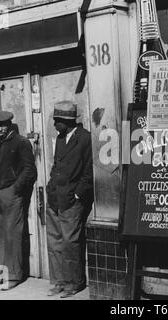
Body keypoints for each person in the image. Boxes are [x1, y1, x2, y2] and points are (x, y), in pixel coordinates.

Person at [46, 101, 94, 298]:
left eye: (58, 120)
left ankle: (74, 283)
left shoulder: (85, 139)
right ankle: (59, 281)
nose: (55, 124)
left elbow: (89, 171)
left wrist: (77, 194)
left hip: (72, 201)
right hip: (55, 197)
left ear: (68, 121)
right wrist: (50, 188)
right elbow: (56, 165)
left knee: (70, 242)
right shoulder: (60, 138)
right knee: (55, 241)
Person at [0, 111, 37, 290]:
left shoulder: (21, 142)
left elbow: (30, 170)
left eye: (2, 125)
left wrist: (14, 190)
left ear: (9, 124)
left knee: (12, 236)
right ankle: (0, 276)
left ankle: (14, 276)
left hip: (10, 195)